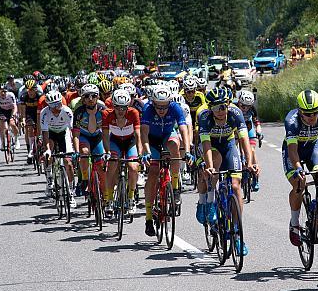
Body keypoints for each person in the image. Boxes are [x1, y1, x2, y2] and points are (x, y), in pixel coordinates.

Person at [197, 87, 258, 254]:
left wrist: (250, 161)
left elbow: (244, 138)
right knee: (211, 168)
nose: (221, 111)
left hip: (229, 144)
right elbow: (207, 146)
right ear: (210, 108)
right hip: (211, 147)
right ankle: (206, 201)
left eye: (224, 106)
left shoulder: (235, 113)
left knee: (236, 185)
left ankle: (237, 233)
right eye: (216, 108)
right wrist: (209, 166)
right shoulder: (204, 117)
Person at [283, 90, 318, 246]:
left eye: (315, 113)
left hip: (313, 147)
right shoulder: (291, 121)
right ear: (299, 111)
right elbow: (292, 150)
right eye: (307, 114)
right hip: (294, 151)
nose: (312, 117)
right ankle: (295, 223)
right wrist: (298, 168)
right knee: (299, 183)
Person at [140, 86, 192, 236]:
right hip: (152, 140)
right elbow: (143, 132)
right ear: (153, 103)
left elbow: (183, 129)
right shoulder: (148, 109)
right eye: (158, 106)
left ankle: (175, 187)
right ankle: (149, 218)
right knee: (154, 172)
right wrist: (147, 152)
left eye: (165, 107)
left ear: (170, 103)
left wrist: (187, 151)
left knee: (175, 146)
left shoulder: (175, 107)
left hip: (168, 135)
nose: (162, 110)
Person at [102, 89, 142, 215]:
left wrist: (140, 154)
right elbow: (104, 135)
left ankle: (130, 198)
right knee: (112, 164)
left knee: (133, 167)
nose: (121, 111)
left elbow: (138, 134)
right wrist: (107, 151)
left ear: (128, 106)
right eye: (118, 107)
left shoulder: (133, 112)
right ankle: (108, 199)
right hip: (115, 141)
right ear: (113, 106)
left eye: (124, 108)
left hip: (130, 141)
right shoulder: (106, 114)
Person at [40, 90, 75, 207]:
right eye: (54, 105)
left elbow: (72, 131)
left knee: (68, 163)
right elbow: (44, 133)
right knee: (48, 156)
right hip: (50, 134)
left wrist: (73, 148)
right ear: (49, 105)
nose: (58, 106)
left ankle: (70, 192)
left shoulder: (67, 111)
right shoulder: (44, 113)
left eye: (59, 103)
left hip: (63, 133)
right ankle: (49, 178)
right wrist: (47, 149)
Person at [72, 83, 106, 200]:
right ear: (83, 99)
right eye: (87, 96)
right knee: (85, 153)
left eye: (93, 96)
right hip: (84, 136)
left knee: (101, 167)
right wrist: (77, 152)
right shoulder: (79, 112)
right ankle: (85, 180)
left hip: (98, 137)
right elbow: (75, 134)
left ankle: (106, 198)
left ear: (98, 97)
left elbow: (108, 130)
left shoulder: (103, 109)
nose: (90, 99)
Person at [236, 90, 263, 192]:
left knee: (251, 150)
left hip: (249, 129)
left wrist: (259, 132)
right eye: (243, 106)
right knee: (236, 151)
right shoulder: (234, 107)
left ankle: (255, 176)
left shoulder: (252, 109)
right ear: (239, 102)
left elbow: (257, 123)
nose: (245, 109)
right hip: (236, 131)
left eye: (248, 106)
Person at [0, 84, 20, 151]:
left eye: (4, 91)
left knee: (12, 124)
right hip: (2, 110)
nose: (3, 93)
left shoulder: (10, 95)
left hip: (11, 110)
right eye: (1, 91)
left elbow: (15, 107)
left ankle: (16, 140)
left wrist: (13, 116)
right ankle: (2, 142)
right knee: (2, 125)